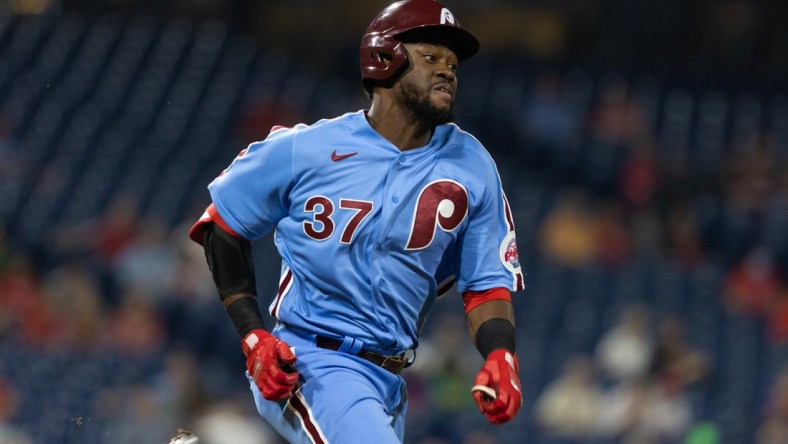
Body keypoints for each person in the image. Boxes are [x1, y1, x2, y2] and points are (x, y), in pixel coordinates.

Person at [188, 0, 525, 442]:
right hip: (310, 359)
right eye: (431, 57)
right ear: (384, 58)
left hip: (390, 379)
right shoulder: (307, 148)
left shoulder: (472, 164)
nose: (447, 71)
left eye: (453, 64)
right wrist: (254, 337)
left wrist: (501, 353)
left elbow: (486, 283)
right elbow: (222, 226)